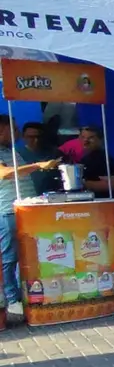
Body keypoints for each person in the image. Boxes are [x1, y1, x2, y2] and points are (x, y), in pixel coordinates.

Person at [0, 115, 57, 318]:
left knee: (24, 255)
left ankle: (24, 294)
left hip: (23, 210)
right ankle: (11, 298)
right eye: (13, 129)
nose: (16, 133)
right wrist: (39, 166)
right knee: (8, 257)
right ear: (1, 130)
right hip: (7, 211)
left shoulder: (11, 151)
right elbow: (5, 173)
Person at [17, 122, 61, 194]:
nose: (36, 140)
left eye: (38, 137)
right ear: (23, 137)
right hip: (27, 195)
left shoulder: (54, 152)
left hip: (52, 195)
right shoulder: (17, 154)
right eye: (31, 137)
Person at [76, 126, 114, 198]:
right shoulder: (84, 159)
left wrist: (80, 184)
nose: (85, 141)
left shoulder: (105, 160)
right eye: (83, 137)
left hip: (102, 204)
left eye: (91, 138)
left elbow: (113, 185)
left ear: (101, 140)